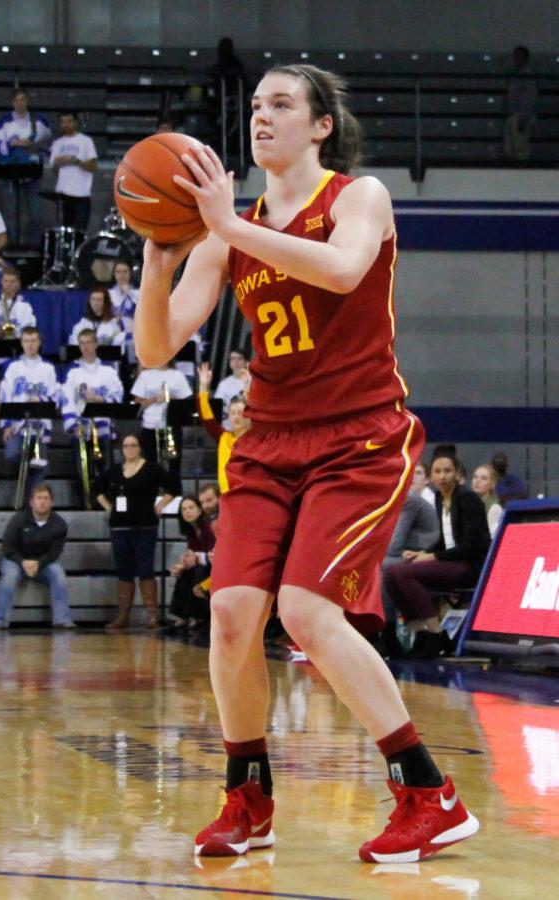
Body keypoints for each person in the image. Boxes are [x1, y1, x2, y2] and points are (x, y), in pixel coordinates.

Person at [135, 63, 479, 862]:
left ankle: (429, 791)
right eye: (255, 105)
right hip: (270, 442)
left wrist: (226, 226)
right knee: (229, 615)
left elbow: (342, 269)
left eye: (281, 104)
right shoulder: (231, 230)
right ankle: (248, 798)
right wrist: (159, 261)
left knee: (308, 612)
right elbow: (156, 346)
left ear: (321, 125)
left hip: (359, 438)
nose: (261, 116)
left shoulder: (358, 198)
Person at [384, 450, 491, 659]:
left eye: (447, 471)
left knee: (405, 574)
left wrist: (432, 558)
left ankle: (437, 633)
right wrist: (421, 553)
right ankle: (420, 633)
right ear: (432, 477)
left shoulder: (467, 499)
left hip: (471, 566)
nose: (442, 476)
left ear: (457, 474)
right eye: (438, 471)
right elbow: (444, 542)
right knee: (390, 572)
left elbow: (471, 546)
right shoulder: (441, 500)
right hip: (451, 563)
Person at [94, 433, 178, 631]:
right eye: (126, 445)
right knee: (124, 571)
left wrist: (161, 506)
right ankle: (123, 616)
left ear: (140, 448)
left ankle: (151, 615)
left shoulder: (152, 469)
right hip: (119, 527)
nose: (129, 449)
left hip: (145, 527)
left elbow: (174, 486)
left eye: (133, 445)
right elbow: (96, 488)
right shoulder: (115, 471)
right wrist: (108, 507)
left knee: (145, 569)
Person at [0, 483, 74, 629]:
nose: (42, 501)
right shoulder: (18, 519)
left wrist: (38, 564)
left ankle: (62, 620)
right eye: (39, 498)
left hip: (43, 563)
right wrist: (23, 562)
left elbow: (54, 553)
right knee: (9, 577)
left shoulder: (59, 524)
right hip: (15, 560)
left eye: (46, 498)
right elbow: (7, 547)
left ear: (52, 502)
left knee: (58, 574)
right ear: (31, 502)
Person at [377, 472, 441, 658]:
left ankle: (388, 633)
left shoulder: (407, 499)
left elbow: (392, 545)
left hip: (426, 553)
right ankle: (374, 632)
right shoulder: (386, 500)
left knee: (385, 566)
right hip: (407, 552)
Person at [60, 328, 124, 503]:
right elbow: (66, 400)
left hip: (103, 427)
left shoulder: (109, 370)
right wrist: (73, 426)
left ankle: (107, 507)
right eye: (82, 343)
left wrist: (99, 398)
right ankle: (85, 505)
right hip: (81, 428)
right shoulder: (72, 372)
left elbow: (118, 396)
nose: (86, 347)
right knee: (82, 472)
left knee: (107, 471)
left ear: (96, 344)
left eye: (89, 342)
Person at [0, 327, 58, 500]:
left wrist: (39, 398)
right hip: (18, 426)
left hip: (39, 427)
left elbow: (54, 395)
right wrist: (7, 425)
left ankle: (34, 508)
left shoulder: (48, 368)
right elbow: (5, 396)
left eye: (33, 340)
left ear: (39, 342)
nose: (30, 344)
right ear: (21, 343)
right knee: (13, 455)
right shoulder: (13, 368)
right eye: (26, 341)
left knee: (39, 471)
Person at [0, 87, 52, 245]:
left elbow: (49, 145)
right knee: (12, 214)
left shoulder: (39, 121)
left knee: (35, 214)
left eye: (23, 99)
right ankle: (12, 248)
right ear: (12, 103)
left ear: (27, 100)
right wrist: (14, 143)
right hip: (11, 172)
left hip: (32, 172)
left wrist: (34, 148)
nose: (20, 103)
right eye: (16, 100)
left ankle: (34, 249)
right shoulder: (4, 122)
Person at [131, 360, 192, 493]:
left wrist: (170, 397)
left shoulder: (177, 375)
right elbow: (137, 401)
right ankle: (151, 496)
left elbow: (186, 401)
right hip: (150, 425)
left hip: (171, 425)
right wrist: (153, 399)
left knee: (173, 465)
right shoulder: (145, 375)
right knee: (150, 464)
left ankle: (174, 495)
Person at [197, 367, 250, 493]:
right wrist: (203, 386)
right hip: (227, 495)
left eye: (240, 412)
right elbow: (206, 416)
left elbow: (256, 407)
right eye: (232, 413)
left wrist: (247, 385)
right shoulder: (223, 437)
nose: (236, 416)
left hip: (248, 493)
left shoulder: (255, 437)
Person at [167, 495, 216, 632]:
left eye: (191, 508)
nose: (187, 512)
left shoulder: (209, 528)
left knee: (198, 572)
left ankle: (198, 616)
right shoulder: (191, 531)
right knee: (184, 572)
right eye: (183, 509)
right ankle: (182, 616)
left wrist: (191, 562)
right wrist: (182, 565)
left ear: (200, 510)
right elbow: (193, 554)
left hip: (214, 566)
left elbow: (213, 555)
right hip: (202, 564)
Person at [49, 111, 98, 232]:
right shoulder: (57, 143)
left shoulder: (86, 141)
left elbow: (94, 166)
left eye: (69, 121)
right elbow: (55, 171)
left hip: (81, 194)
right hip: (63, 194)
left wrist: (76, 161)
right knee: (64, 231)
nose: (66, 125)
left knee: (79, 232)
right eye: (63, 122)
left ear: (75, 122)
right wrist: (58, 163)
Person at [0, 266, 36, 342]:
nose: (8, 284)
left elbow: (29, 332)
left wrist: (9, 330)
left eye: (12, 281)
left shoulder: (26, 307)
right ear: (1, 281)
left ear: (18, 283)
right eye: (6, 281)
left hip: (18, 347)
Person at [504, 46, 537, 161]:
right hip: (513, 116)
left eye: (519, 56)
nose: (516, 59)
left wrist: (523, 118)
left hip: (520, 116)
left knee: (520, 148)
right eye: (515, 56)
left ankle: (521, 171)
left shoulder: (527, 75)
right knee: (510, 148)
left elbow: (529, 97)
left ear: (526, 58)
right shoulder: (516, 74)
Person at [213, 348, 251, 429]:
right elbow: (217, 406)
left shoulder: (255, 381)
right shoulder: (224, 384)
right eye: (233, 359)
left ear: (246, 362)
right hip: (229, 426)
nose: (236, 362)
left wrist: (246, 384)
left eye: (239, 358)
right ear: (230, 363)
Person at [471, 464, 503, 538]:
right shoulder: (469, 504)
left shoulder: (494, 508)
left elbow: (493, 538)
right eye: (475, 477)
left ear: (492, 484)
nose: (477, 481)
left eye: (484, 478)